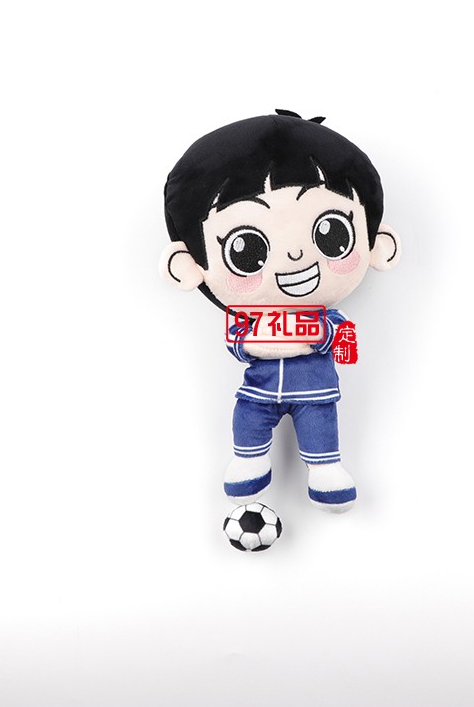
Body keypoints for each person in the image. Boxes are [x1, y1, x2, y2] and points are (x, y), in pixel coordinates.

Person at [159, 110, 401, 511]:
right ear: (188, 266)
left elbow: (344, 346)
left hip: (316, 393)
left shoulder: (326, 318)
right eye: (246, 249)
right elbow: (238, 344)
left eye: (332, 234)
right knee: (247, 421)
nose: (295, 256)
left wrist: (318, 335)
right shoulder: (247, 319)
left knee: (321, 429)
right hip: (258, 391)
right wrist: (268, 341)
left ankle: (325, 469)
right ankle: (249, 461)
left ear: (379, 245)